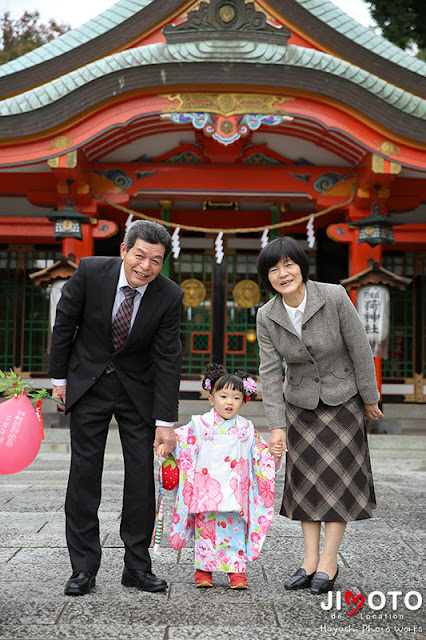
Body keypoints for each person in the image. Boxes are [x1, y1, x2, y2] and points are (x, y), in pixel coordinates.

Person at [48, 220, 183, 596]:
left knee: (141, 477)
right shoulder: (91, 271)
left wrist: (165, 421)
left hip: (137, 389)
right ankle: (83, 568)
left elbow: (169, 357)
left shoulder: (169, 295)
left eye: (156, 260)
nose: (146, 266)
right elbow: (65, 324)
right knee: (84, 474)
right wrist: (59, 379)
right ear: (124, 250)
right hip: (88, 381)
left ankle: (137, 566)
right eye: (139, 255)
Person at [256, 236, 383, 595]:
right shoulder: (267, 315)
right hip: (299, 404)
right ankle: (308, 560)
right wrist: (276, 425)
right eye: (274, 269)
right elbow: (268, 371)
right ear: (267, 277)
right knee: (306, 486)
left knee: (336, 483)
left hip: (342, 399)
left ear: (301, 266)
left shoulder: (334, 296)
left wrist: (369, 398)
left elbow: (360, 347)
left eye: (288, 265)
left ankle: (329, 561)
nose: (283, 274)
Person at [161, 363, 278, 589]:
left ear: (244, 400)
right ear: (211, 398)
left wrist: (270, 455)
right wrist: (167, 446)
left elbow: (259, 455)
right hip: (208, 491)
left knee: (234, 532)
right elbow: (182, 441)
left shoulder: (247, 428)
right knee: (206, 532)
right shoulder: (200, 424)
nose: (229, 402)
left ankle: (236, 571)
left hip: (235, 493)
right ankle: (203, 569)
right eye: (223, 396)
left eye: (236, 397)